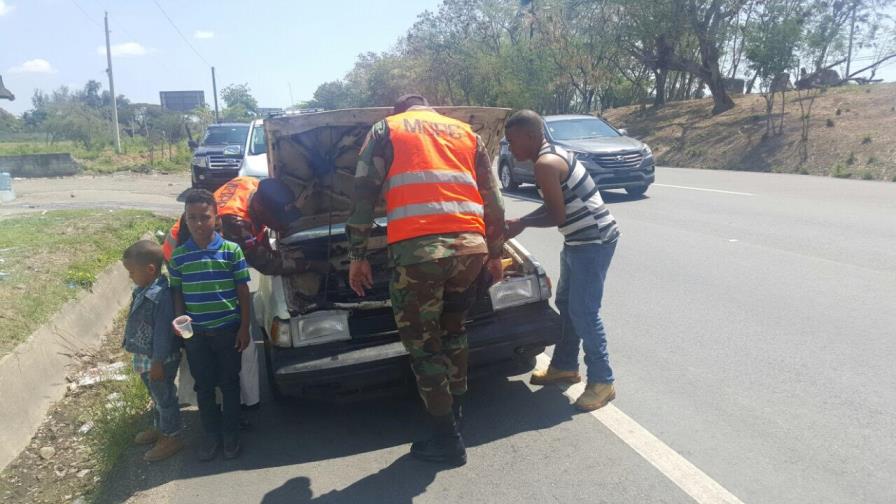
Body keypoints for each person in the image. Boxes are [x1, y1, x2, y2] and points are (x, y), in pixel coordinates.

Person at [347, 94, 505, 466]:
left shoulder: (387, 128)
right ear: (430, 107)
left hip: (418, 255)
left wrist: (357, 256)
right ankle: (457, 417)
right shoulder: (467, 133)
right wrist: (496, 252)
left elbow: (362, 195)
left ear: (398, 109)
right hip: (470, 250)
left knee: (424, 346)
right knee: (454, 330)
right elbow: (493, 199)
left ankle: (446, 440)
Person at [503, 109, 621, 412]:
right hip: (578, 239)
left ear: (531, 136)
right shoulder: (550, 154)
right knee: (567, 303)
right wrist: (523, 221)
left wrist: (521, 223)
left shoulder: (545, 163)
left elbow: (557, 215)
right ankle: (565, 365)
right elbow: (560, 210)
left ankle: (603, 381)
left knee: (584, 312)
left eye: (512, 140)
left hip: (592, 241)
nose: (510, 148)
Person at [169, 189, 252, 461]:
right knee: (203, 387)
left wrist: (244, 328)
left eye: (204, 217)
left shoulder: (231, 251)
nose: (198, 223)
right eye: (192, 218)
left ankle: (231, 435)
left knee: (229, 384)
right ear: (186, 219)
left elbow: (242, 292)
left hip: (228, 330)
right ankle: (211, 435)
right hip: (197, 336)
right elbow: (178, 293)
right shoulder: (179, 257)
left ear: (216, 219)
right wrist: (182, 326)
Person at [162, 176, 309, 276]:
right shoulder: (235, 223)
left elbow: (261, 232)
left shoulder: (250, 183)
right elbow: (267, 264)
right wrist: (310, 265)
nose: (283, 225)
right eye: (279, 219)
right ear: (261, 210)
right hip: (180, 253)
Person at [121, 239, 183, 462]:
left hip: (159, 359)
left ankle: (171, 436)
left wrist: (158, 361)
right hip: (147, 357)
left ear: (150, 269)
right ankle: (160, 428)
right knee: (156, 396)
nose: (130, 276)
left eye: (131, 271)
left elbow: (162, 333)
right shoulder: (143, 289)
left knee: (165, 398)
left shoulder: (161, 295)